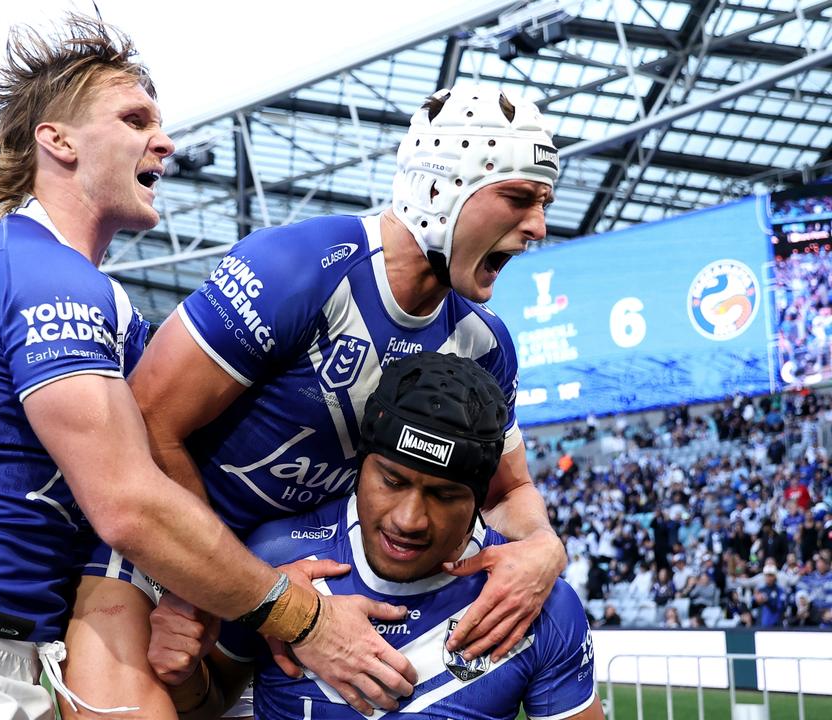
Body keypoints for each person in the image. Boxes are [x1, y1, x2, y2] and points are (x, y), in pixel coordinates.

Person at [0, 15, 413, 720]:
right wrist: (298, 617)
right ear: (57, 140)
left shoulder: (96, 299)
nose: (165, 142)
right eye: (134, 119)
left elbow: (180, 460)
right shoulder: (38, 272)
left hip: (10, 655)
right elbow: (128, 505)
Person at [66, 84, 568, 714]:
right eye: (520, 198)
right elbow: (144, 422)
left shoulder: (481, 344)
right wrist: (207, 588)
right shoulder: (298, 268)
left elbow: (508, 492)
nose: (539, 227)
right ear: (441, 189)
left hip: (300, 583)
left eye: (543, 204)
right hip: (168, 564)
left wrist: (543, 548)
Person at [148, 353, 602, 719]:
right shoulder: (272, 561)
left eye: (443, 495)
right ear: (360, 466)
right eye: (392, 480)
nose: (409, 519)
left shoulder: (538, 606)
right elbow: (208, 705)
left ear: (479, 499)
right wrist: (183, 673)